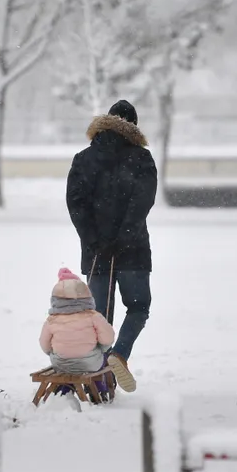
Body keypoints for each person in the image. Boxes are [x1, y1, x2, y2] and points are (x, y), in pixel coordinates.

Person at [65, 99, 157, 393]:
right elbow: (142, 203)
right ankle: (120, 354)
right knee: (139, 307)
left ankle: (100, 383)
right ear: (134, 126)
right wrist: (123, 238)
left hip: (96, 254)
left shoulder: (83, 158)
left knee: (99, 318)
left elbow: (76, 204)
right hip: (133, 252)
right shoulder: (142, 159)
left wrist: (95, 241)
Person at [39, 268, 115, 377]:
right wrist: (101, 349)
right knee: (103, 360)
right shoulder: (93, 316)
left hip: (60, 364)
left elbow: (44, 344)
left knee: (64, 365)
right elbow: (108, 338)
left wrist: (57, 352)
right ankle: (100, 389)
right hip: (90, 363)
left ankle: (64, 391)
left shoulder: (52, 320)